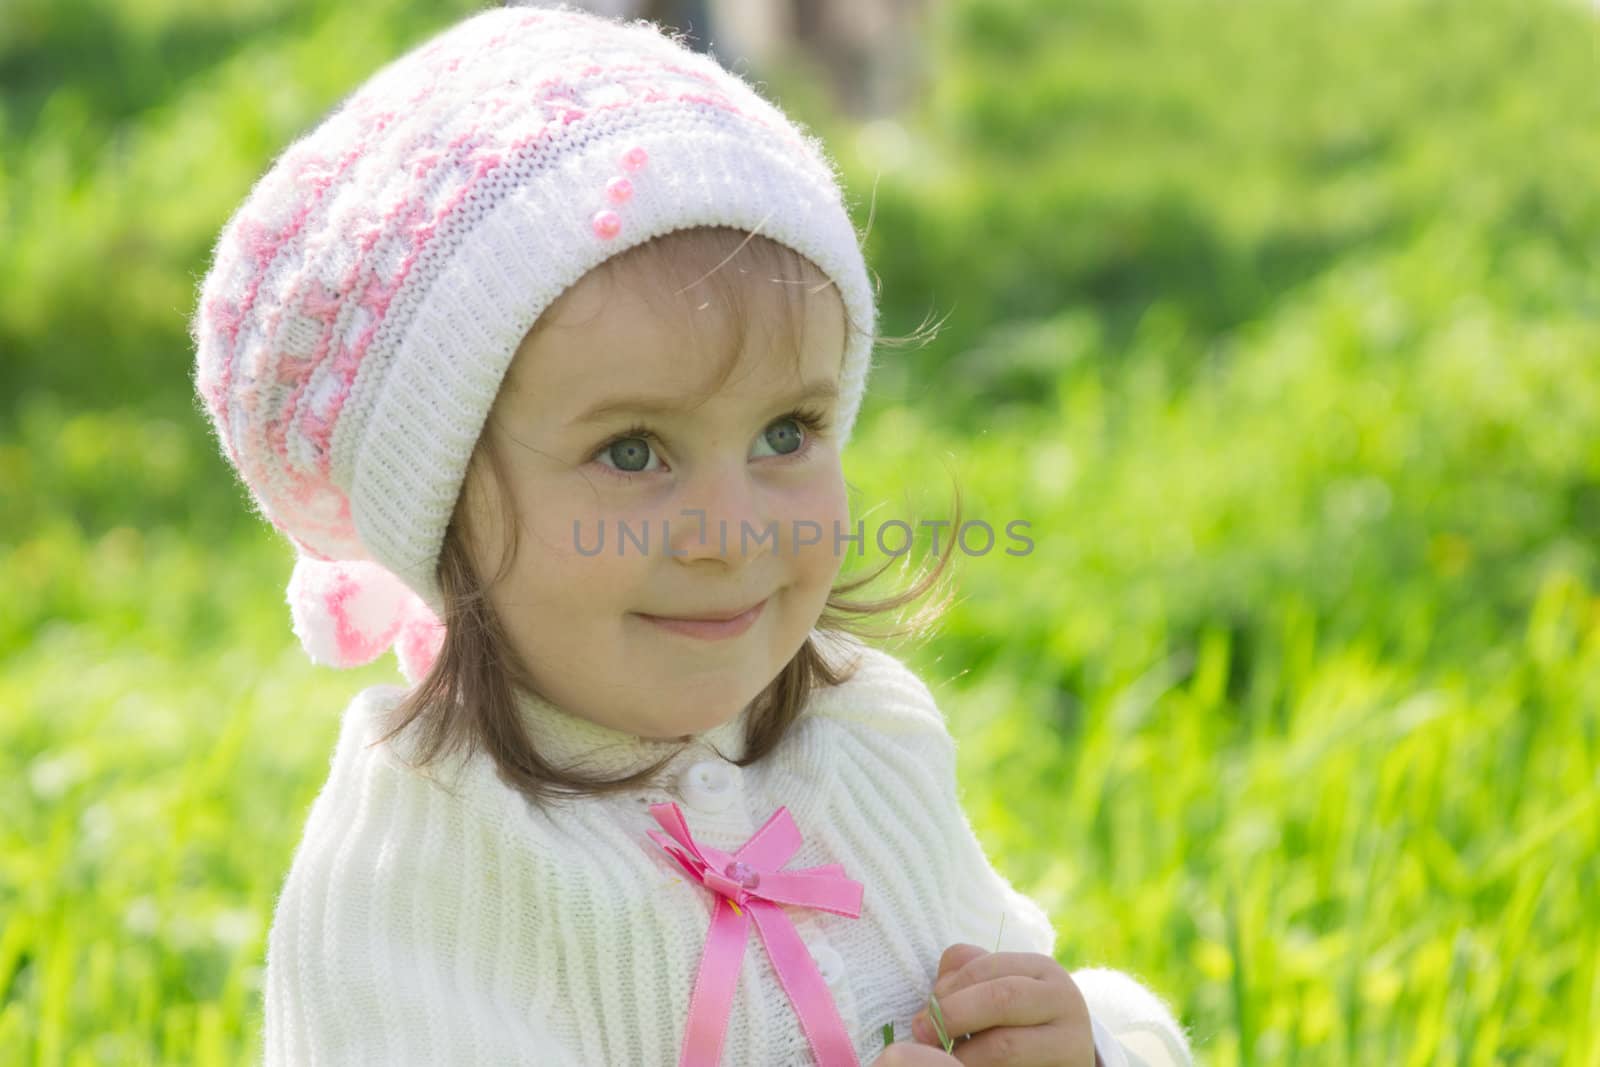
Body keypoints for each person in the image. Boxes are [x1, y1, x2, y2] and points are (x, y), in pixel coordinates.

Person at [190, 4, 1196, 1065]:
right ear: (443, 509)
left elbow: (1013, 980)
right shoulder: (423, 861)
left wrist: (1081, 1048)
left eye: (785, 431)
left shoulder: (863, 739)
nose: (730, 532)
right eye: (632, 452)